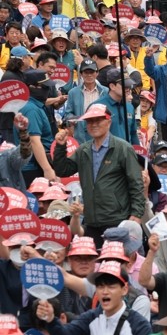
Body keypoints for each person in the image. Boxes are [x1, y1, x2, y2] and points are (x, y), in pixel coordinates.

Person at [50, 104, 146, 243]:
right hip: (91, 222)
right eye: (90, 121)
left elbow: (136, 183)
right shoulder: (84, 150)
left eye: (98, 120)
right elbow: (63, 170)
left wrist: (136, 215)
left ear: (109, 121)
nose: (93, 124)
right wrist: (60, 146)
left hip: (117, 220)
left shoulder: (123, 148)